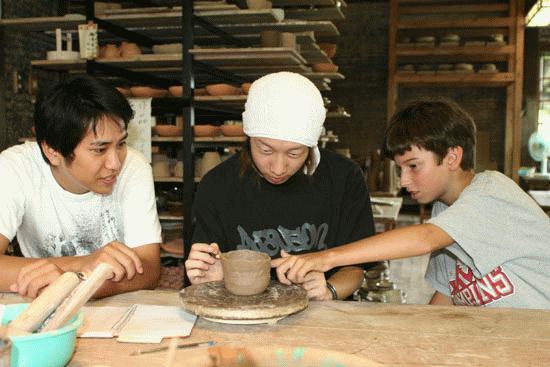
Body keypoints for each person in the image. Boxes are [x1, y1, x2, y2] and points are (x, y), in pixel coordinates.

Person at [273, 99, 550, 309]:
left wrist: (325, 258)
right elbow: (447, 295)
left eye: (414, 166)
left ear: (452, 157)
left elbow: (424, 238)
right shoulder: (444, 212)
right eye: (400, 169)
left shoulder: (491, 192)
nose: (404, 181)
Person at [185, 72, 375, 301]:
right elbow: (210, 266)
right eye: (265, 150)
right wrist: (211, 276)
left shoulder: (344, 178)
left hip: (322, 317)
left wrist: (330, 290)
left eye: (294, 153)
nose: (277, 168)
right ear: (249, 137)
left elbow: (355, 268)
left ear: (311, 145)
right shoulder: (217, 186)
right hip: (245, 313)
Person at [0, 75, 162, 298]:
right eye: (99, 149)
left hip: (117, 311)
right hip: (44, 309)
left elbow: (150, 269)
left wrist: (77, 283)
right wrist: (81, 264)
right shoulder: (15, 168)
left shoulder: (134, 167)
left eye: (121, 144)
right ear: (53, 151)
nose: (115, 163)